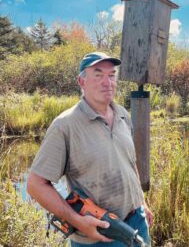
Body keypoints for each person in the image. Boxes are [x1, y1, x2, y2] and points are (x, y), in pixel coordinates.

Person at [27, 51, 154, 246]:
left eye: (111, 75)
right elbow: (36, 185)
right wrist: (77, 221)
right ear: (81, 81)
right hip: (99, 233)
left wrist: (142, 203)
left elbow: (129, 163)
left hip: (137, 220)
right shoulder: (65, 125)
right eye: (98, 74)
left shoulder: (122, 114)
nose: (107, 82)